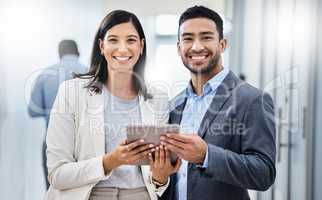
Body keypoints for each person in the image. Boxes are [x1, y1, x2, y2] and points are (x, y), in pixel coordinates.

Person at [45, 10, 180, 200]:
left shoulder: (157, 98)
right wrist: (111, 161)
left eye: (131, 40)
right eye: (114, 40)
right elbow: (57, 174)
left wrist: (160, 176)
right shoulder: (71, 92)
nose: (123, 49)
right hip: (89, 195)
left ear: (141, 46)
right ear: (101, 46)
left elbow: (156, 183)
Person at [159, 5, 276, 200]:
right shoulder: (173, 105)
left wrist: (207, 155)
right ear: (179, 48)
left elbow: (264, 173)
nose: (196, 46)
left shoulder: (253, 100)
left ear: (222, 45)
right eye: (188, 38)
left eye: (206, 37)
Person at [28, 39, 87, 189]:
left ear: (59, 54)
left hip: (53, 142)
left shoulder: (45, 75)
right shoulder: (89, 73)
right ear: (78, 53)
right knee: (83, 192)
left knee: (53, 190)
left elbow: (33, 111)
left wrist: (51, 110)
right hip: (84, 144)